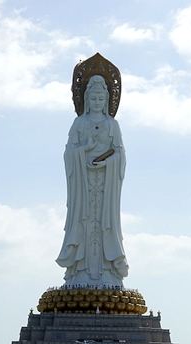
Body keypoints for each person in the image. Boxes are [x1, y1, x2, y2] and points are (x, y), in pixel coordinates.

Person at [56, 74, 129, 287]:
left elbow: (121, 155)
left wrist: (108, 163)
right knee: (83, 221)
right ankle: (80, 272)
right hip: (83, 184)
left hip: (106, 184)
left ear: (106, 101)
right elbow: (69, 153)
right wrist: (84, 151)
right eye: (94, 99)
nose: (97, 103)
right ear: (87, 100)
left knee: (106, 223)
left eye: (101, 99)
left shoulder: (112, 124)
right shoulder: (79, 122)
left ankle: (108, 270)